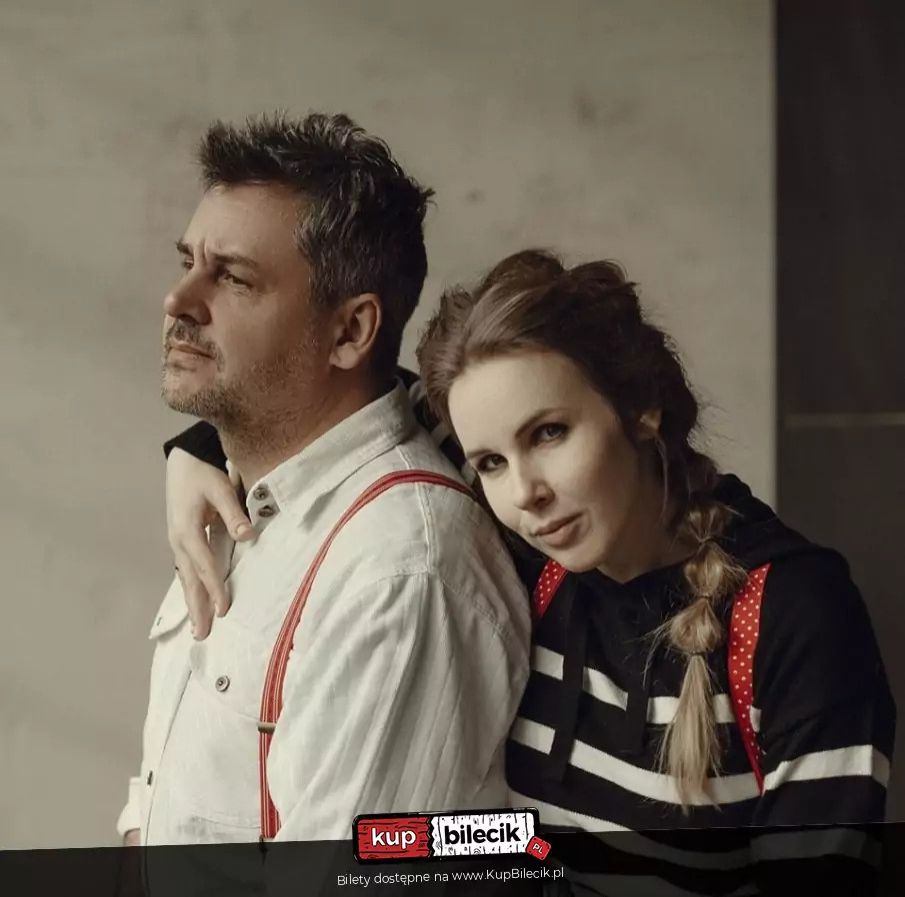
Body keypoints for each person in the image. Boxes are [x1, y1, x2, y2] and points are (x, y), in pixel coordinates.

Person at [164, 249, 895, 893]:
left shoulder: (792, 612)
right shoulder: (535, 554)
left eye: (549, 433)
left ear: (641, 405)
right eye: (489, 462)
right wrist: (197, 451)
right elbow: (330, 406)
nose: (524, 493)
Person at [116, 113, 530, 849]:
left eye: (233, 277)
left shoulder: (402, 569)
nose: (178, 300)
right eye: (188, 262)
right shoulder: (239, 499)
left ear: (349, 332)